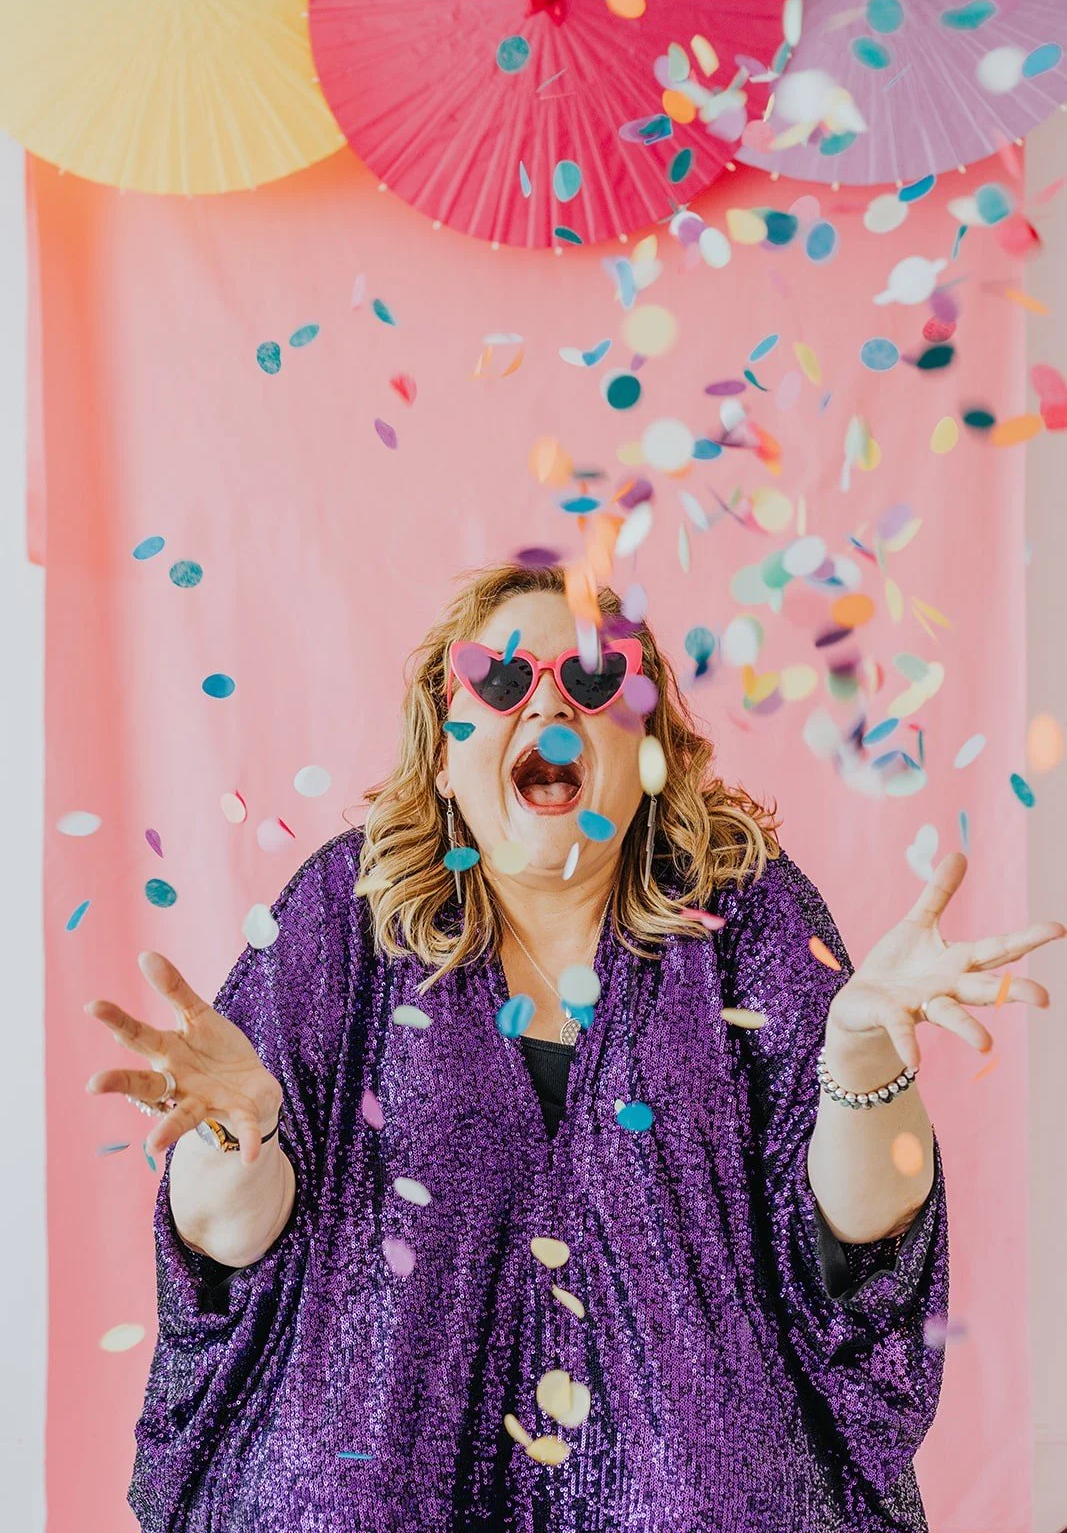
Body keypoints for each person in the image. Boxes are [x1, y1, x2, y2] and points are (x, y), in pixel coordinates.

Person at [85, 562, 1063, 1533]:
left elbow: (857, 1233)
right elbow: (223, 1240)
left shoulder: (747, 913)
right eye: (502, 678)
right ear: (443, 745)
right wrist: (234, 1141)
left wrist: (860, 1065)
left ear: (644, 738)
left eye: (594, 676)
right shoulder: (343, 917)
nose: (548, 697)